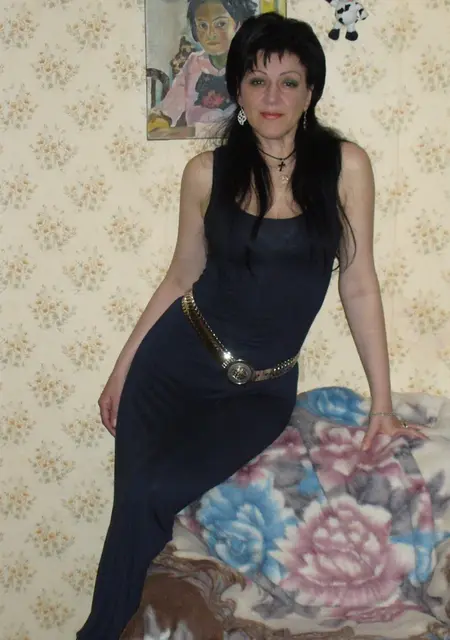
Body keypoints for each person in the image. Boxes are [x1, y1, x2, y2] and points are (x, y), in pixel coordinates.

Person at [77, 12, 426, 640]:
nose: (273, 96)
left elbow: (358, 282)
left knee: (157, 493)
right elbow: (180, 276)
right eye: (258, 80)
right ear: (237, 88)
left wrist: (382, 405)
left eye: (289, 82)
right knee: (135, 505)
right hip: (172, 369)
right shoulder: (206, 174)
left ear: (311, 92)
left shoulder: (346, 167)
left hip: (259, 392)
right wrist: (122, 370)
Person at [147, 0, 257, 133]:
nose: (210, 34)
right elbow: (170, 106)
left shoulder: (249, 64)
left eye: (220, 24)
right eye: (202, 25)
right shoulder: (193, 63)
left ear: (238, 25)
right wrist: (160, 119)